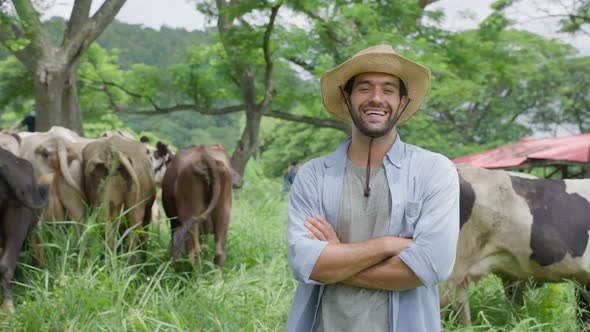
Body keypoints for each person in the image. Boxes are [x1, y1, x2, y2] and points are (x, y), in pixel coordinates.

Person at [286, 45, 460, 332]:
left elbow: (430, 266)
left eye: (389, 89)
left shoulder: (435, 170)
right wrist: (388, 245)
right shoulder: (313, 175)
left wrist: (336, 256)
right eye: (364, 88)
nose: (376, 98)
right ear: (346, 99)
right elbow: (306, 264)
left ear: (403, 102)